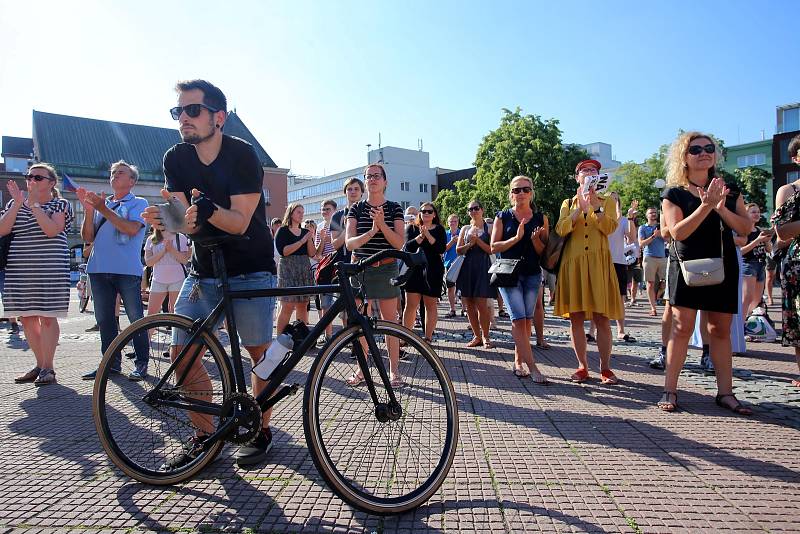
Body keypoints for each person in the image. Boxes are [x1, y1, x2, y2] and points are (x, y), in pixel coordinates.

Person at [143, 79, 278, 468]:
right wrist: (163, 219)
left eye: (192, 110)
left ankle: (260, 431)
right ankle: (206, 435)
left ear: (218, 117)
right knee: (182, 354)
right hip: (203, 269)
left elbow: (238, 222)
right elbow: (186, 223)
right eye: (177, 112)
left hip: (249, 266)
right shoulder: (176, 158)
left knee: (259, 354)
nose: (182, 118)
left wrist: (207, 211)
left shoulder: (242, 155)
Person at [658, 132, 753, 415]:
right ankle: (670, 389)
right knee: (682, 328)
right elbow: (677, 232)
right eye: (695, 149)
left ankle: (726, 393)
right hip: (687, 268)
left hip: (722, 267)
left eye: (709, 148)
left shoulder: (730, 190)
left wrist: (720, 206)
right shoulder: (673, 193)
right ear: (684, 157)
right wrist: (705, 205)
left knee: (720, 330)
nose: (703, 153)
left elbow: (746, 229)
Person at [77, 160, 149, 381]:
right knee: (105, 320)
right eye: (113, 173)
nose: (115, 175)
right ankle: (110, 364)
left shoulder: (139, 202)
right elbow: (87, 238)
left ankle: (141, 364)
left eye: (121, 173)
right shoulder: (103, 204)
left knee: (136, 319)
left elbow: (129, 229)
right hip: (99, 268)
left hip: (126, 270)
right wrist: (89, 212)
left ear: (132, 181)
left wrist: (101, 208)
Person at [2, 164, 73, 386]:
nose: (31, 180)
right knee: (26, 317)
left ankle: (48, 367)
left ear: (51, 183)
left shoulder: (60, 203)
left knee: (48, 317)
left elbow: (52, 230)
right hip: (20, 269)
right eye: (29, 176)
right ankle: (40, 365)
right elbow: (3, 229)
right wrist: (16, 204)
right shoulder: (15, 203)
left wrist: (33, 205)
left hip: (50, 269)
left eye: (37, 177)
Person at [555, 160, 622, 385]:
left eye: (593, 170)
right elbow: (561, 229)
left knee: (602, 317)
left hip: (598, 262)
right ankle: (582, 366)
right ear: (577, 177)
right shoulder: (568, 202)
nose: (589, 173)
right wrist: (578, 211)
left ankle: (606, 368)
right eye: (584, 170)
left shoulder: (608, 200)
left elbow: (610, 228)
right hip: (573, 263)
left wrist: (595, 206)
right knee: (576, 317)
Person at [344, 163, 405, 387]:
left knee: (391, 321)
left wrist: (381, 225)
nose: (372, 179)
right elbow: (350, 244)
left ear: (385, 181)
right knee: (361, 323)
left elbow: (399, 243)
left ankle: (394, 370)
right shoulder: (356, 209)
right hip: (360, 269)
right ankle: (362, 370)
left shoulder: (395, 208)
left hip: (386, 267)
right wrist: (371, 231)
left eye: (377, 176)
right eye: (368, 176)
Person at [490, 176, 549, 382]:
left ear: (531, 193)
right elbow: (493, 247)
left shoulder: (541, 218)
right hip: (508, 274)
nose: (520, 193)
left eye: (525, 189)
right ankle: (533, 367)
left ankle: (517, 360)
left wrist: (534, 241)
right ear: (510, 194)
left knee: (526, 320)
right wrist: (515, 238)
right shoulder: (502, 216)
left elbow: (545, 252)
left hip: (532, 273)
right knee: (518, 318)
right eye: (516, 190)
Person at [588, 192, 638, 343]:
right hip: (600, 262)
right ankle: (591, 331)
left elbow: (631, 238)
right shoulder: (597, 217)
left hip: (618, 262)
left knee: (620, 298)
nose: (613, 201)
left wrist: (629, 217)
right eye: (610, 198)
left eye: (616, 199)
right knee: (596, 298)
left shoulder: (623, 220)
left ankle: (621, 331)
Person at [773, 133, 800, 388]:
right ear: (795, 158)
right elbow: (782, 231)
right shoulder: (789, 190)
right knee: (798, 319)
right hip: (798, 262)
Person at [402, 202, 446, 342]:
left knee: (430, 305)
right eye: (423, 211)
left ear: (434, 214)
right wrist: (420, 237)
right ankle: (406, 337)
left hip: (433, 270)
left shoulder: (439, 229)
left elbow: (441, 249)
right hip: (415, 270)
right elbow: (407, 247)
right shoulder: (412, 227)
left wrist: (428, 235)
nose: (426, 213)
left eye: (429, 211)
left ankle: (428, 337)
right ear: (420, 213)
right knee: (410, 305)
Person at [456, 201, 495, 347]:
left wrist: (477, 241)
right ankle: (476, 336)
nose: (473, 211)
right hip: (467, 268)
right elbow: (458, 250)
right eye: (470, 209)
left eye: (476, 208)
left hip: (483, 267)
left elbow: (492, 249)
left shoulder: (489, 227)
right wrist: (469, 245)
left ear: (482, 210)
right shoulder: (465, 228)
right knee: (469, 304)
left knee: (481, 303)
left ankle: (486, 336)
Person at [275, 204, 316, 335]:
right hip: (288, 269)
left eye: (303, 212)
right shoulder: (282, 231)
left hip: (303, 269)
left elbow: (312, 253)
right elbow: (284, 251)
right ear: (291, 213)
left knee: (303, 305)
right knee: (287, 306)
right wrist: (302, 241)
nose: (301, 214)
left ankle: (302, 337)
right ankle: (280, 340)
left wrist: (309, 239)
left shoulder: (305, 232)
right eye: (299, 212)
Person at [144, 228, 191, 318]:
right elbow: (149, 262)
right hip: (158, 279)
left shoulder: (180, 237)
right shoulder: (153, 238)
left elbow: (185, 260)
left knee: (176, 313)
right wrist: (164, 251)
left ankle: (175, 332)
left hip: (177, 279)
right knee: (151, 315)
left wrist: (171, 249)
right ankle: (148, 332)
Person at [740, 203, 771, 318]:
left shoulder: (759, 230)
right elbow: (740, 251)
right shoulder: (743, 231)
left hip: (761, 265)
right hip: (748, 264)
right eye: (753, 212)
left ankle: (747, 323)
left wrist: (766, 240)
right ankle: (741, 328)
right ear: (746, 214)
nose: (757, 214)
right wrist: (757, 240)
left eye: (758, 212)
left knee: (756, 300)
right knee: (746, 298)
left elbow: (769, 249)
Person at [315, 199, 337, 344]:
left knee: (346, 304)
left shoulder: (340, 224)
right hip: (325, 268)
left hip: (339, 266)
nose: (325, 212)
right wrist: (323, 239)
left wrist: (332, 239)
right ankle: (328, 336)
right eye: (323, 209)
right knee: (325, 305)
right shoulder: (319, 227)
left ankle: (347, 336)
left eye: (327, 209)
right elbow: (317, 253)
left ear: (334, 210)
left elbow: (343, 247)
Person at [639, 207, 667, 317]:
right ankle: (653, 308)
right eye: (651, 213)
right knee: (650, 284)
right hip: (649, 258)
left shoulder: (661, 227)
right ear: (647, 215)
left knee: (665, 283)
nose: (653, 214)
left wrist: (661, 234)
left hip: (662, 258)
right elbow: (641, 243)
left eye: (655, 213)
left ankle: (657, 297)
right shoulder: (643, 228)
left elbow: (669, 239)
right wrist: (654, 235)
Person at [443, 214, 460, 318]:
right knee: (450, 288)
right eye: (451, 222)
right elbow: (442, 249)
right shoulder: (445, 234)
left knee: (462, 287)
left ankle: (464, 309)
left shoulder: (462, 232)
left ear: (458, 222)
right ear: (448, 223)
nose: (453, 223)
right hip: (449, 263)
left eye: (455, 221)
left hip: (461, 262)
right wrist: (452, 241)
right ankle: (452, 309)